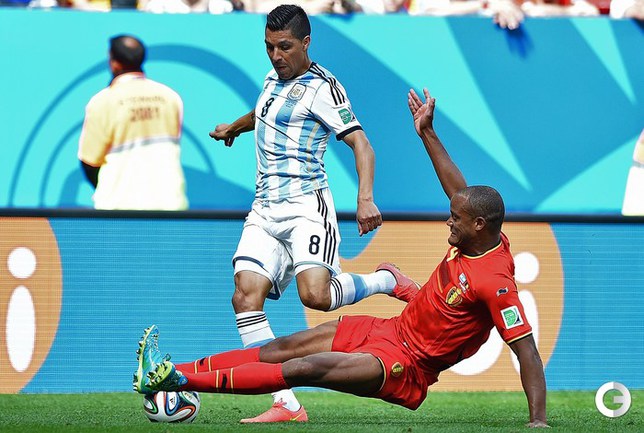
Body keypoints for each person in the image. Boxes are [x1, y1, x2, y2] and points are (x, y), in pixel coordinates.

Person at [134, 87, 549, 428]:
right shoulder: (477, 233)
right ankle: (164, 371)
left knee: (305, 368)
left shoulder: (495, 282)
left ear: (479, 224)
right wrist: (426, 133)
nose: (448, 222)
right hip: (388, 329)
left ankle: (177, 380)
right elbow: (458, 191)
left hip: (404, 365)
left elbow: (527, 351)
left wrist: (538, 422)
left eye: (455, 219)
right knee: (282, 348)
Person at [208, 4, 404, 423]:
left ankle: (384, 280)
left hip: (305, 208)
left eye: (284, 47)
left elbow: (362, 144)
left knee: (315, 297)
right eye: (269, 47)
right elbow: (264, 112)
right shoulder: (272, 79)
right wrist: (233, 128)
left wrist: (365, 199)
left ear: (306, 43)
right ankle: (285, 403)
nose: (275, 56)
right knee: (244, 295)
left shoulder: (323, 88)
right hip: (264, 208)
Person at [78, 35, 189, 210]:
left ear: (114, 63)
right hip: (170, 204)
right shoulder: (170, 97)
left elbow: (90, 162)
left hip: (119, 208)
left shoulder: (103, 101)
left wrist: (110, 191)